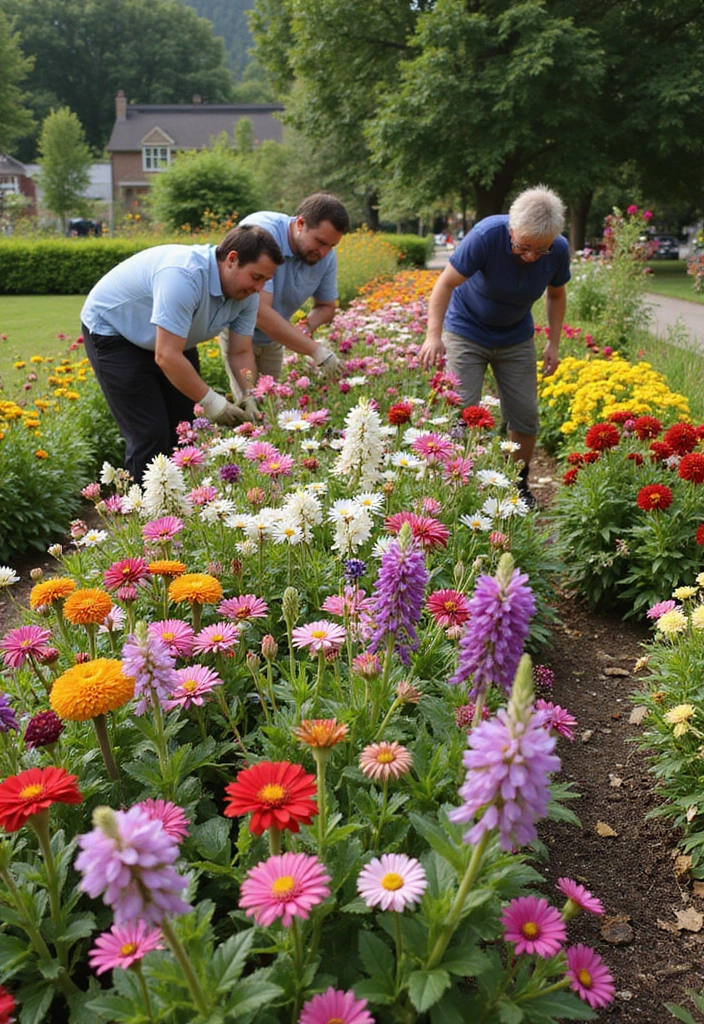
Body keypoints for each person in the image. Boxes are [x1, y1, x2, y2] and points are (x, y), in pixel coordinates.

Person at [81, 224, 283, 484]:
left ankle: (181, 508)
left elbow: (240, 350)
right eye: (256, 277)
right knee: (149, 432)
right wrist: (214, 403)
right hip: (116, 332)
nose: (260, 288)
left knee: (185, 426)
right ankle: (145, 513)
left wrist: (249, 394)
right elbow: (166, 356)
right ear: (232, 259)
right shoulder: (184, 275)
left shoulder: (248, 294)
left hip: (172, 339)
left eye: (266, 281)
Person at [418, 185, 570, 507]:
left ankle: (517, 485)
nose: (531, 256)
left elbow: (556, 294)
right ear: (511, 230)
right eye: (524, 247)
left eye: (539, 250)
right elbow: (444, 283)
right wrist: (434, 335)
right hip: (466, 330)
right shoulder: (486, 235)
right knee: (459, 409)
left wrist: (553, 343)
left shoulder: (557, 250)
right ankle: (451, 484)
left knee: (525, 414)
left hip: (515, 336)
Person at [219, 192, 350, 394]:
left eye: (331, 246)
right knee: (250, 403)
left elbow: (327, 307)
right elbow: (259, 312)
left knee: (270, 407)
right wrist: (316, 351)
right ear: (300, 223)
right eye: (320, 242)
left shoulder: (325, 257)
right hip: (240, 335)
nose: (324, 253)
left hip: (273, 339)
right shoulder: (262, 235)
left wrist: (306, 327)